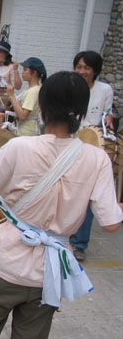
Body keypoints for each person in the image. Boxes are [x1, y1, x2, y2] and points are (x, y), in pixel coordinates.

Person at [0, 71, 123, 338]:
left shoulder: (19, 147)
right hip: (48, 275)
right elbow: (111, 223)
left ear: (43, 109)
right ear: (81, 112)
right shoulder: (98, 159)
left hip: (4, 266)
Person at [70, 50, 114, 262]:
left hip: (92, 145)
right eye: (79, 67)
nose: (82, 71)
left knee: (87, 196)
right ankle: (65, 230)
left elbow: (107, 112)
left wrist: (109, 119)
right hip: (70, 143)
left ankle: (79, 243)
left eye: (86, 67)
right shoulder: (70, 87)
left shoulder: (105, 89)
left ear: (95, 70)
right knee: (68, 191)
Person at [6, 57, 47, 136]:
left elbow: (22, 115)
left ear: (34, 73)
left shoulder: (33, 91)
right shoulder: (35, 89)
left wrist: (12, 96)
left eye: (25, 70)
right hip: (28, 130)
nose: (22, 73)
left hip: (27, 132)